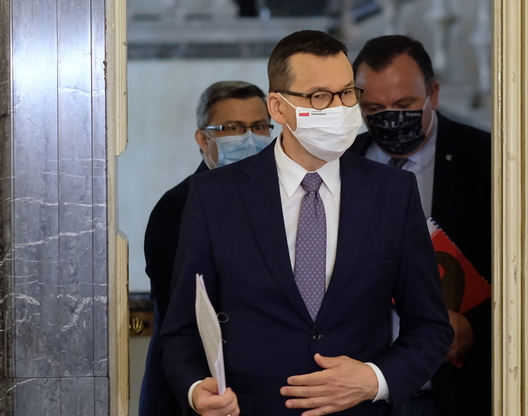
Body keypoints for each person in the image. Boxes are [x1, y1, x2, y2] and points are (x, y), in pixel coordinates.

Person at [160, 30, 453, 416]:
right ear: (278, 108)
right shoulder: (215, 196)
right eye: (319, 97)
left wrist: (376, 380)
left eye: (346, 93)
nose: (338, 108)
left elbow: (431, 325)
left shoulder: (393, 192)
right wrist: (197, 389)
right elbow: (180, 329)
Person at [349, 35, 492, 416]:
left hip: (454, 391)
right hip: (360, 390)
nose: (390, 118)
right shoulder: (340, 164)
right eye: (373, 108)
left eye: (404, 105)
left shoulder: (487, 161)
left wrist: (477, 327)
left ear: (434, 94)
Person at [139, 81, 273, 416]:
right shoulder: (177, 208)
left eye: (259, 126)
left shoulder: (278, 199)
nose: (249, 138)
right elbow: (181, 317)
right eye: (232, 128)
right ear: (203, 139)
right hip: (196, 390)